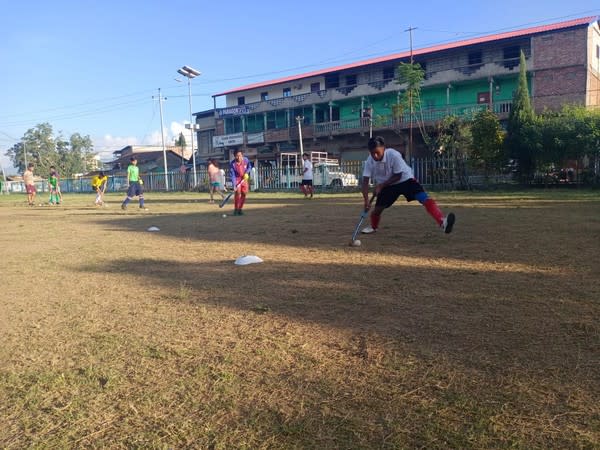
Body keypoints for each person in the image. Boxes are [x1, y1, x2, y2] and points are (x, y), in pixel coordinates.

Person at [361, 136, 455, 234]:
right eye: (372, 153)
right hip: (388, 186)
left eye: (377, 152)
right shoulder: (369, 161)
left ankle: (442, 222)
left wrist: (381, 185)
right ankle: (373, 227)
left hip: (405, 179)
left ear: (384, 148)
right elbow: (365, 182)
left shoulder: (394, 155)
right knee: (377, 210)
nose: (375, 156)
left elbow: (398, 175)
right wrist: (366, 201)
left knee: (424, 198)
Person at [229, 149, 252, 216]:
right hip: (237, 179)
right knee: (237, 193)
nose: (239, 157)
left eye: (240, 156)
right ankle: (236, 209)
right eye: (237, 156)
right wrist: (234, 185)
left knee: (244, 193)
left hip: (244, 178)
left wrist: (247, 173)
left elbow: (249, 167)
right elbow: (232, 175)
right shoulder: (232, 164)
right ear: (234, 156)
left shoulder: (246, 160)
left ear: (242, 155)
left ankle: (240, 209)